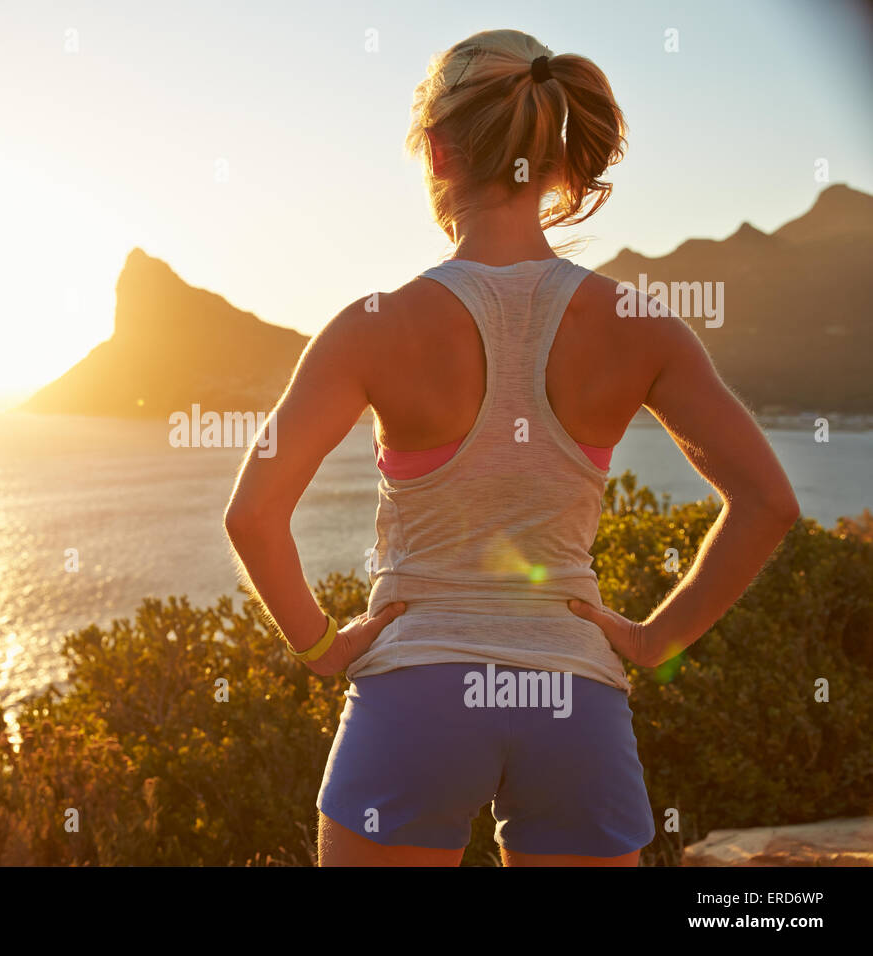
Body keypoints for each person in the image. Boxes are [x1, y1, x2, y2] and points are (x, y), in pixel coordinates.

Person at [223, 29, 800, 867]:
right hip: (575, 702)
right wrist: (652, 641)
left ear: (437, 149)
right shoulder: (640, 327)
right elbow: (769, 503)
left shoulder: (372, 328)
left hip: (413, 697)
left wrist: (322, 647)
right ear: (557, 158)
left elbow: (253, 516)